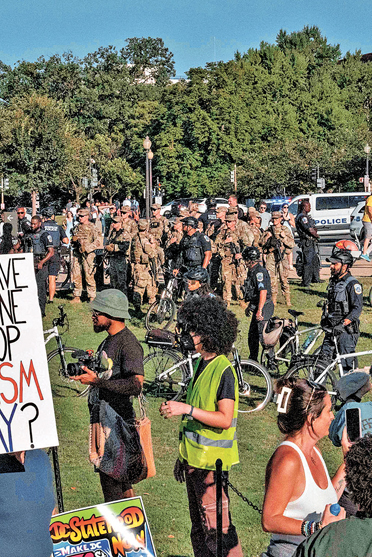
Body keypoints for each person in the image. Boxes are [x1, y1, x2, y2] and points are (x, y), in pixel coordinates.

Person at [159, 296, 243, 557]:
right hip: (194, 462)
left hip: (211, 466)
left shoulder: (223, 370)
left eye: (194, 331)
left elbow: (224, 419)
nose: (189, 336)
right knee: (199, 529)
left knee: (217, 531)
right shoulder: (200, 363)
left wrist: (185, 409)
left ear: (209, 334)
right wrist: (183, 458)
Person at [69, 290, 145, 501]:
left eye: (97, 312)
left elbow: (136, 385)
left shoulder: (128, 344)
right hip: (104, 421)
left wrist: (97, 381)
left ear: (111, 314)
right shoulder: (108, 341)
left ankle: (122, 523)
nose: (93, 316)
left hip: (117, 424)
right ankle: (131, 521)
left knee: (112, 486)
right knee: (120, 482)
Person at [261, 378, 344, 557]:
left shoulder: (314, 452)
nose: (332, 416)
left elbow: (324, 501)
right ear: (311, 418)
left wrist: (349, 462)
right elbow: (269, 520)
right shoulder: (288, 460)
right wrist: (316, 527)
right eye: (328, 410)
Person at [318, 249, 362, 372]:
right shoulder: (334, 282)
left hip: (345, 332)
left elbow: (357, 309)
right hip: (331, 329)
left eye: (335, 264)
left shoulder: (353, 284)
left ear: (345, 266)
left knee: (346, 368)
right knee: (321, 364)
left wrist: (342, 324)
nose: (331, 266)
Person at [243, 245, 273, 360]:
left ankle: (271, 362)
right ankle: (253, 361)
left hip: (264, 306)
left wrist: (259, 310)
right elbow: (253, 292)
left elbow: (263, 292)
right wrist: (250, 307)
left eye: (246, 260)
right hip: (257, 305)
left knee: (264, 337)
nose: (244, 262)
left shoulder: (259, 272)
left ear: (250, 260)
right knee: (252, 336)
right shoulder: (252, 271)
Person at [261, 212, 296, 307]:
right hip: (271, 256)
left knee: (283, 279)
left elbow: (291, 244)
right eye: (273, 219)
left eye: (277, 218)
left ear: (281, 219)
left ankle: (287, 301)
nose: (275, 220)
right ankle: (273, 301)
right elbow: (261, 243)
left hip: (282, 257)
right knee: (272, 280)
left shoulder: (285, 229)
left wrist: (284, 238)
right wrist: (267, 238)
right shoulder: (268, 230)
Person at [69, 208, 101, 303]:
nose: (80, 218)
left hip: (88, 255)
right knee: (76, 274)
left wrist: (87, 248)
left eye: (82, 216)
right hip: (77, 253)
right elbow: (72, 239)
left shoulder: (92, 227)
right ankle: (77, 295)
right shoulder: (76, 227)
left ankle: (92, 296)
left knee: (89, 275)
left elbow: (98, 241)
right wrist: (73, 241)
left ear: (87, 216)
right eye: (79, 216)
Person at [29, 215, 55, 316]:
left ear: (39, 224)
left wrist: (42, 262)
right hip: (30, 262)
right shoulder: (29, 234)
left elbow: (51, 252)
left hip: (41, 264)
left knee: (41, 288)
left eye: (34, 224)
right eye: (31, 224)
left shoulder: (45, 235)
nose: (32, 226)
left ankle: (41, 311)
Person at [42, 208, 68, 303]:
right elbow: (66, 241)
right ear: (53, 216)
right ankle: (51, 299)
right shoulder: (58, 227)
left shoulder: (41, 226)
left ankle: (42, 296)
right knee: (52, 278)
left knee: (42, 277)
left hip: (43, 253)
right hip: (55, 253)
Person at [295, 200, 320, 285]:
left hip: (310, 241)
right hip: (306, 242)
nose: (310, 208)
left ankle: (315, 279)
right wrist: (317, 236)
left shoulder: (306, 216)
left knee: (314, 261)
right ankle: (306, 281)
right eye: (308, 206)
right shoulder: (302, 217)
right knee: (308, 262)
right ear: (304, 207)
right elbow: (309, 229)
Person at [360, 187, 372, 262]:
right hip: (367, 220)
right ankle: (364, 253)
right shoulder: (370, 198)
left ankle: (365, 248)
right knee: (368, 236)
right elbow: (370, 210)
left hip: (371, 221)